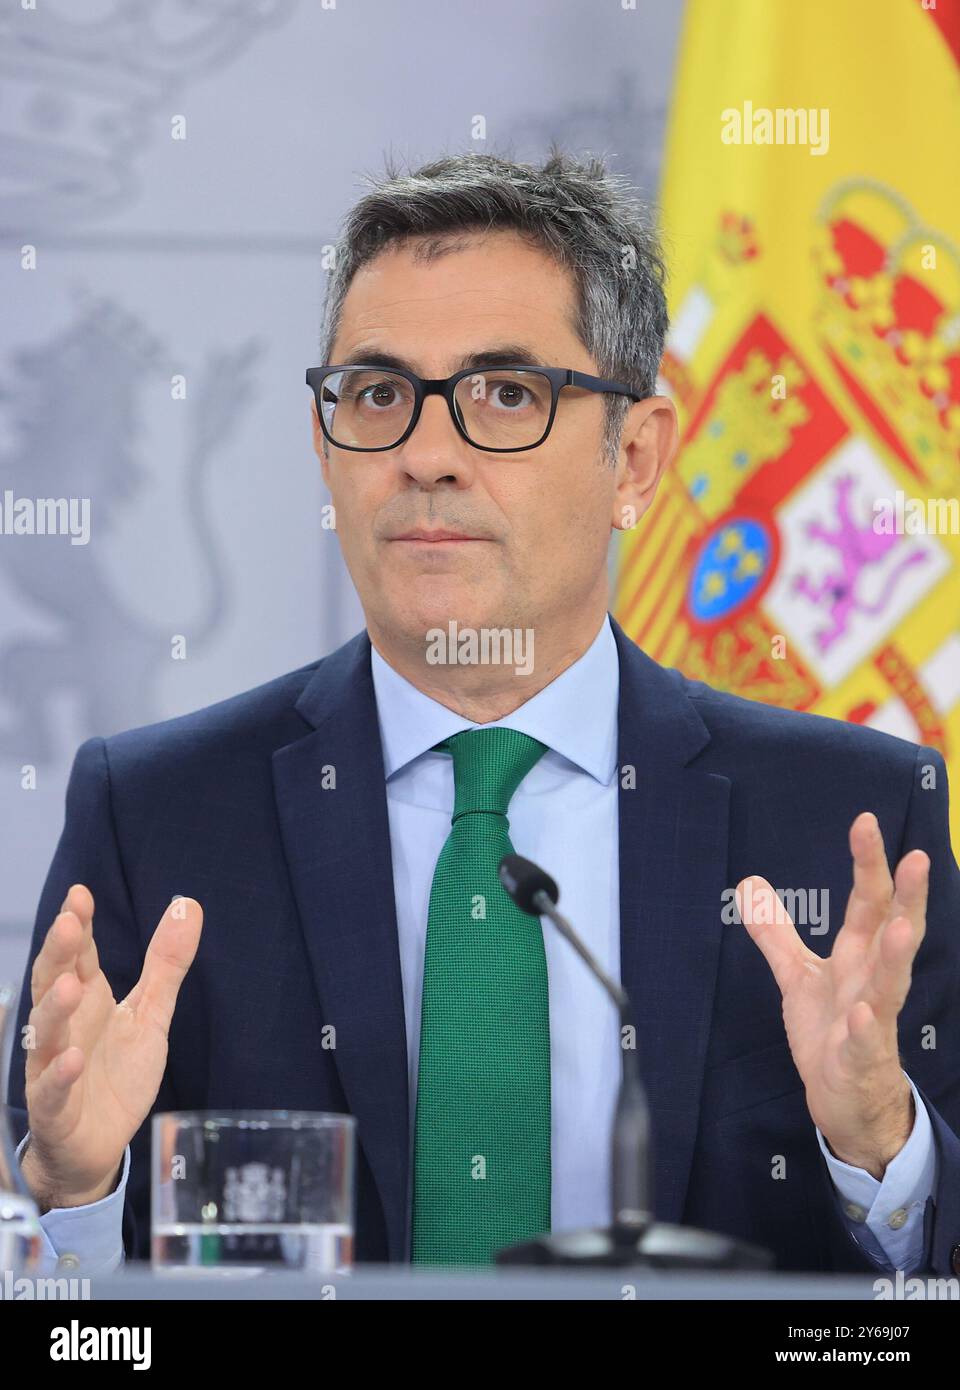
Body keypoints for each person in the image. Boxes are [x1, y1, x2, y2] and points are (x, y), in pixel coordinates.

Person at [7, 151, 960, 1275]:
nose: (425, 455)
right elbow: (68, 1283)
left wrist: (880, 1146)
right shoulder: (158, 811)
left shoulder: (844, 819)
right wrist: (69, 1189)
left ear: (635, 458)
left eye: (505, 393)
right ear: (325, 446)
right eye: (377, 394)